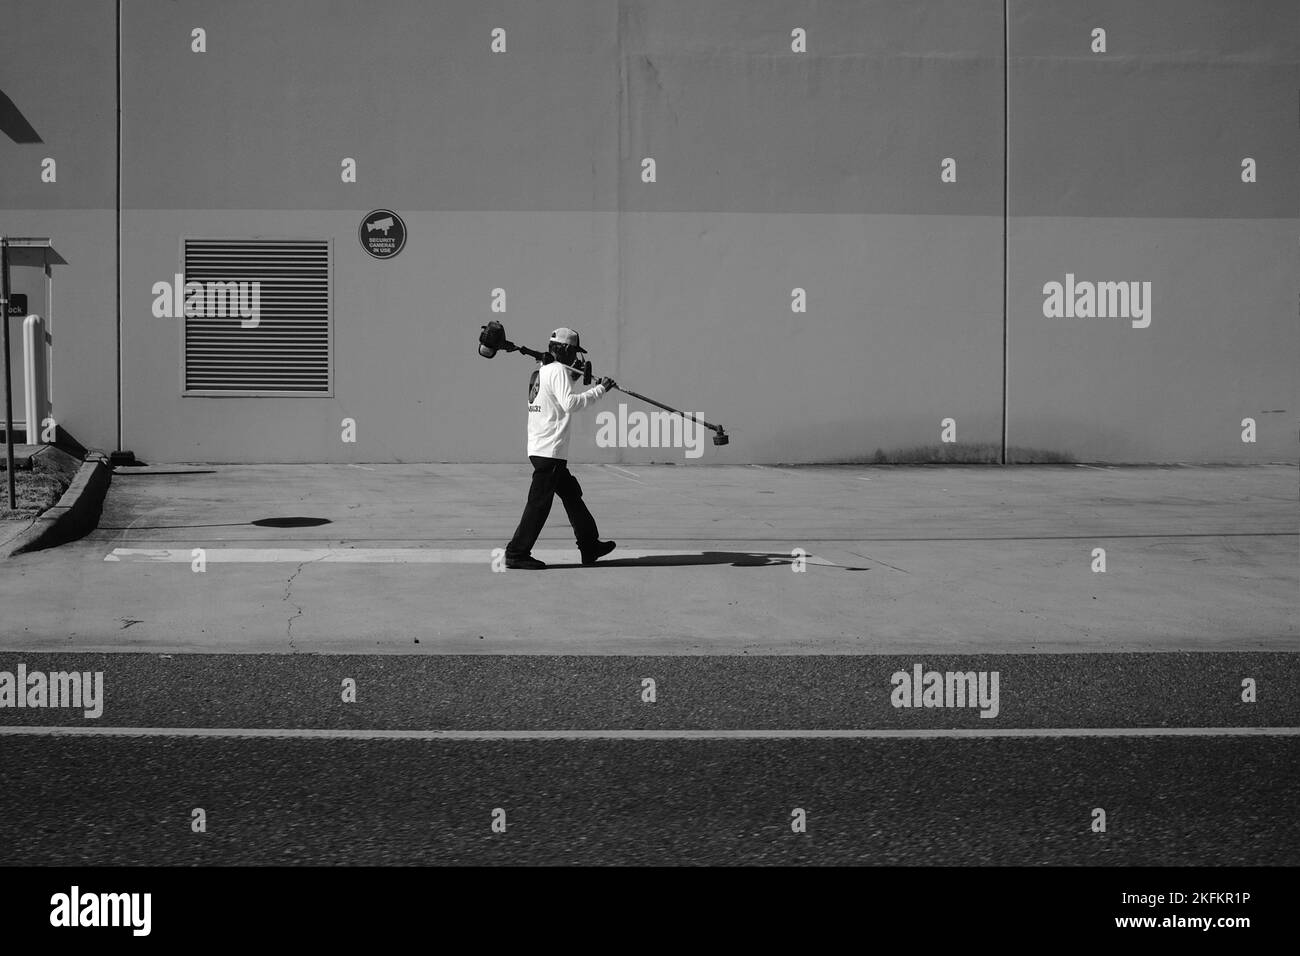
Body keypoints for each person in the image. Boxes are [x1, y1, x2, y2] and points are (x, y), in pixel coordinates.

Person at [503, 328, 618, 570]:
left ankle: (590, 545)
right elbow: (569, 404)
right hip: (550, 450)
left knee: (572, 494)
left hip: (539, 447)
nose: (576, 358)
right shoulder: (556, 371)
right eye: (574, 351)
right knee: (539, 504)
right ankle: (516, 553)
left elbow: (553, 398)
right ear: (565, 349)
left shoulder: (541, 372)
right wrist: (600, 390)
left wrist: (573, 378)